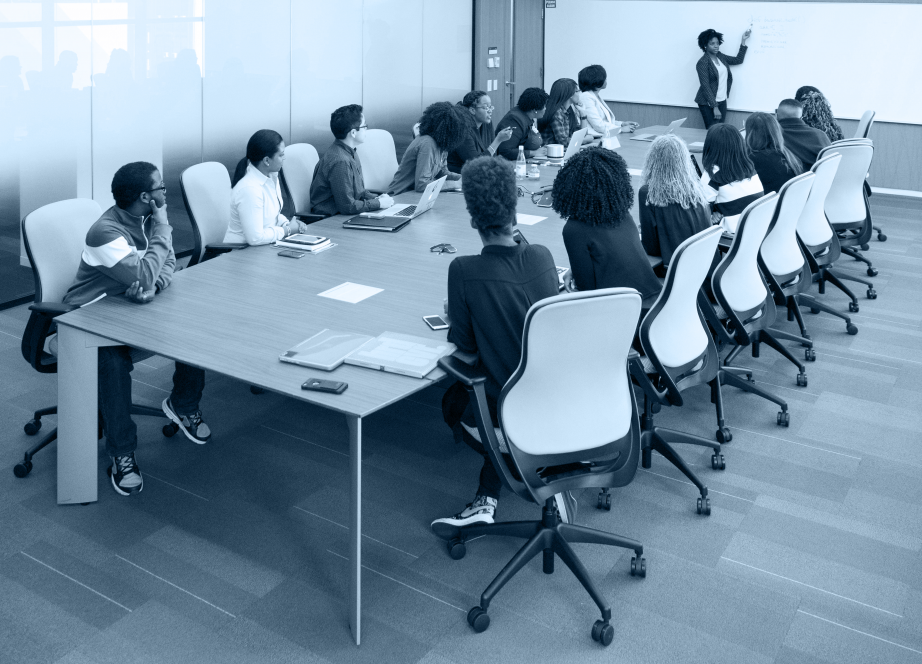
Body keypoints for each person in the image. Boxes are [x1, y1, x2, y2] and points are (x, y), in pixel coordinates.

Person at [432, 156, 569, 530]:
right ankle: (498, 488)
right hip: (560, 397)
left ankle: (493, 485)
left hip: (508, 410)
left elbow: (465, 348)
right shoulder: (541, 255)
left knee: (451, 400)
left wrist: (463, 312)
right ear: (514, 208)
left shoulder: (463, 270)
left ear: (473, 217)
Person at [62, 162, 210, 496]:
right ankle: (122, 452)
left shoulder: (146, 222)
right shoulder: (106, 232)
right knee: (111, 363)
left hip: (132, 308)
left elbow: (168, 263)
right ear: (146, 196)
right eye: (161, 188)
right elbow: (146, 270)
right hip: (90, 314)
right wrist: (161, 231)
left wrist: (152, 287)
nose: (164, 193)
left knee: (193, 326)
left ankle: (184, 405)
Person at [554, 147, 662, 306]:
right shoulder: (622, 214)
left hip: (627, 315)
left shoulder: (574, 229)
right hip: (657, 304)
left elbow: (587, 292)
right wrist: (577, 270)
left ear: (569, 186)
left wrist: (579, 274)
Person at [638, 134, 712, 266]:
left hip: (674, 270)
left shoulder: (649, 193)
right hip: (705, 266)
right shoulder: (697, 188)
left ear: (652, 162)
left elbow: (651, 248)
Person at [226, 130, 308, 245]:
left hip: (262, 248)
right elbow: (255, 238)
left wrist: (286, 223)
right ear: (266, 160)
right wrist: (287, 230)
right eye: (281, 155)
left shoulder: (271, 177)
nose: (284, 158)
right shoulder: (249, 189)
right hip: (240, 253)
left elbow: (271, 215)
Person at [310, 104, 394, 216]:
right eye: (364, 126)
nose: (366, 130)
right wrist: (378, 204)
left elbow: (359, 192)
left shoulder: (350, 152)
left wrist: (377, 198)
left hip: (344, 214)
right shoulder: (341, 161)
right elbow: (347, 206)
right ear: (353, 133)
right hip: (330, 219)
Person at [387, 101, 464, 195]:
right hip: (401, 195)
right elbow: (422, 186)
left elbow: (441, 173)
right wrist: (455, 184)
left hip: (417, 196)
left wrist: (461, 178)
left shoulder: (442, 144)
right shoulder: (427, 143)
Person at [700, 123, 764, 234]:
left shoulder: (712, 173)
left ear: (709, 147)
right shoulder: (749, 167)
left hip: (732, 237)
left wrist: (710, 213)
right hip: (757, 231)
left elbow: (700, 211)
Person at [694, 27, 751, 129]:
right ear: (705, 45)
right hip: (707, 102)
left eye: (717, 43)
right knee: (712, 131)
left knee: (720, 129)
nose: (716, 46)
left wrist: (743, 41)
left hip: (722, 100)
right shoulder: (702, 62)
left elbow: (738, 60)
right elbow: (705, 86)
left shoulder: (720, 56)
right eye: (712, 44)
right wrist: (714, 106)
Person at [447, 91, 514, 173]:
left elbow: (492, 154)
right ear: (472, 110)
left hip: (483, 171)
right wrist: (498, 140)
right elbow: (475, 164)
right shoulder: (461, 128)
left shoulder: (486, 123)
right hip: (461, 174)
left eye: (490, 107)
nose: (490, 111)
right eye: (486, 107)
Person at [744, 111, 802, 194]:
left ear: (750, 133)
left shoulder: (754, 159)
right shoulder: (786, 154)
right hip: (785, 204)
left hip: (767, 204)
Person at [577, 65, 638, 137]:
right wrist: (621, 129)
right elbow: (598, 125)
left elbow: (605, 121)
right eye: (604, 78)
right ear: (596, 80)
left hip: (605, 136)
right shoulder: (586, 97)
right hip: (595, 138)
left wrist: (622, 124)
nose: (606, 80)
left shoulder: (595, 96)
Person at [776, 98, 831, 171]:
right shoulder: (820, 135)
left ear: (776, 114)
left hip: (788, 181)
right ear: (801, 117)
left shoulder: (772, 136)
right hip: (821, 179)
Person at [494, 87, 548, 161]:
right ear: (535, 109)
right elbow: (506, 151)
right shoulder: (514, 120)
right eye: (544, 106)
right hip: (511, 163)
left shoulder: (527, 116)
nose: (545, 109)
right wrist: (534, 153)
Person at [538, 78, 591, 147]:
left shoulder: (568, 110)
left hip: (562, 151)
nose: (579, 94)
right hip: (551, 154)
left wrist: (583, 114)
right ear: (570, 94)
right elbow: (563, 142)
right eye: (578, 91)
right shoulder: (557, 113)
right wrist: (584, 140)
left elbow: (581, 134)